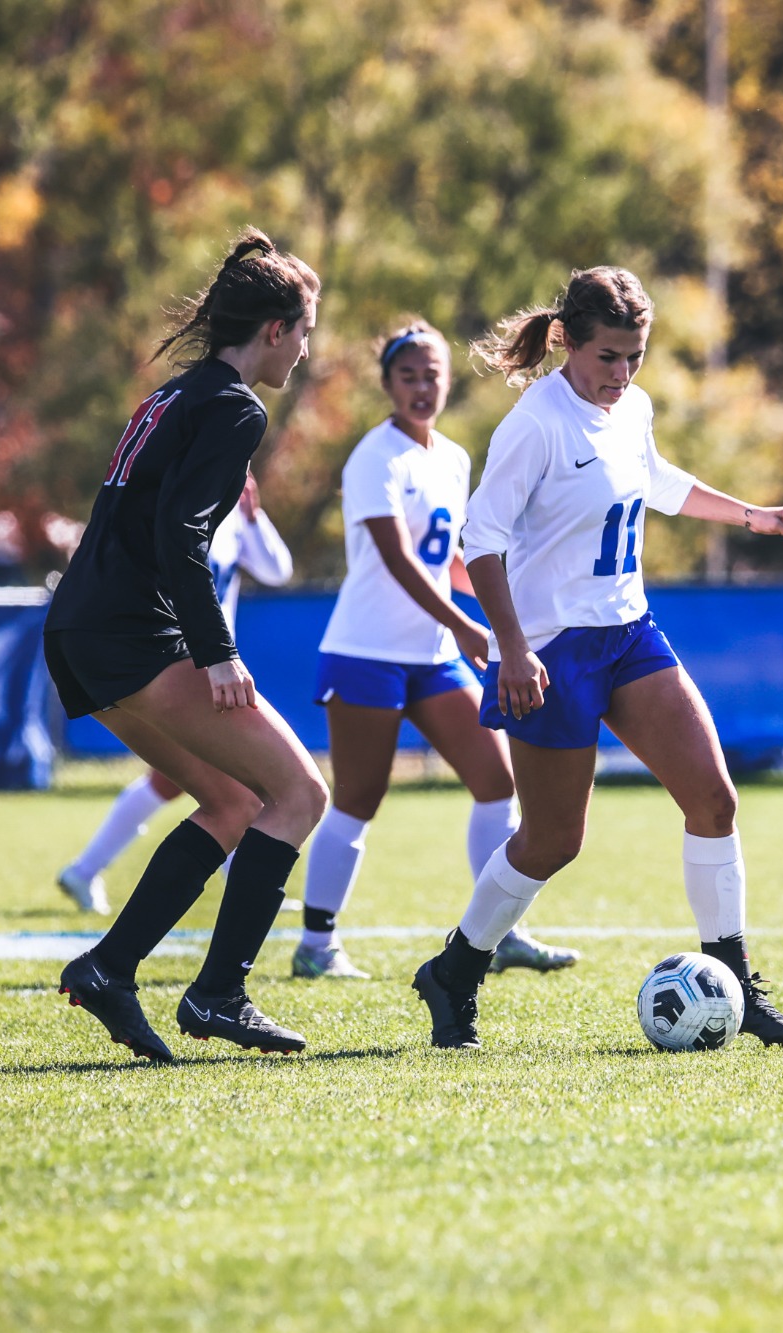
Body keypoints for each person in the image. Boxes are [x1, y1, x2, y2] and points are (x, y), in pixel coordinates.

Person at [407, 267, 783, 1050]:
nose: (621, 374)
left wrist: (753, 517)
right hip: (552, 652)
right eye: (607, 357)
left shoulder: (632, 407)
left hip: (629, 633)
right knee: (553, 840)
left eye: (634, 356)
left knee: (715, 799)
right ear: (566, 340)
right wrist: (514, 649)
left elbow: (655, 480)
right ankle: (455, 970)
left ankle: (734, 981)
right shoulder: (536, 423)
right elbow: (481, 540)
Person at [45, 229, 330, 1061]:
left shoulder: (176, 393)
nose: (307, 349)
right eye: (305, 330)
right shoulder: (236, 405)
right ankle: (219, 993)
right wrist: (218, 652)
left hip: (84, 627)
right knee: (300, 792)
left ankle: (108, 967)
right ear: (274, 329)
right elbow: (181, 536)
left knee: (237, 802)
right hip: (133, 631)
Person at [292, 320, 579, 981]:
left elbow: (447, 558)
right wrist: (473, 628)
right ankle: (316, 943)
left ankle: (501, 930)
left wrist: (510, 608)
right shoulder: (375, 456)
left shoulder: (450, 457)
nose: (422, 388)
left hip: (432, 653)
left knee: (497, 780)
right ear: (388, 383)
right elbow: (397, 561)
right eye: (409, 376)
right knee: (359, 797)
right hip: (365, 651)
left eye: (433, 376)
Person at [56, 473, 294, 914]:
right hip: (178, 663)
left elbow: (278, 571)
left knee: (180, 783)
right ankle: (243, 883)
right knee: (238, 784)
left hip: (216, 669)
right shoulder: (178, 507)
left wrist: (255, 515)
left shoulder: (236, 517)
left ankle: (85, 870)